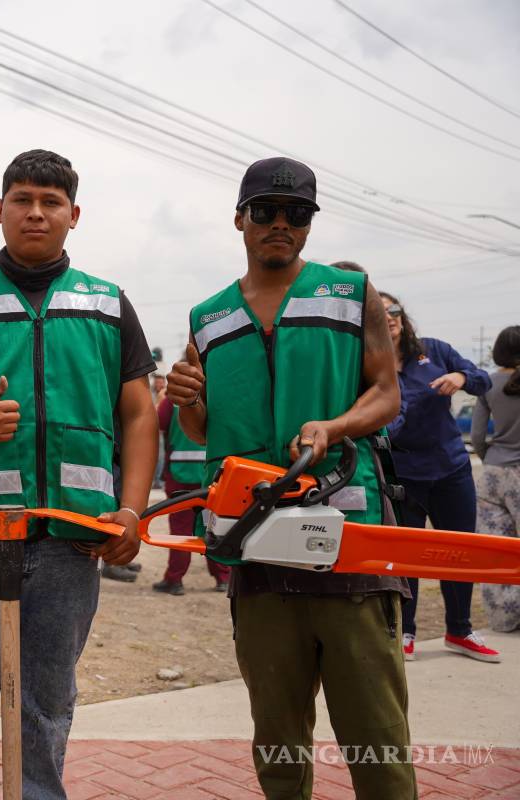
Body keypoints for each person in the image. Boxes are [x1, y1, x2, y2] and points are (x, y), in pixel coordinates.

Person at [0, 149, 158, 799]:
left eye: (51, 202)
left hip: (73, 540)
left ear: (74, 214)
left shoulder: (108, 306)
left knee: (46, 703)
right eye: (22, 199)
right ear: (0, 210)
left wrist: (131, 511)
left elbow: (139, 416)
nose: (36, 213)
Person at [167, 157, 416, 799]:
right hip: (255, 552)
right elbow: (202, 428)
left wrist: (334, 426)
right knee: (278, 747)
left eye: (297, 213)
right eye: (266, 211)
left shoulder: (350, 293)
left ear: (308, 223)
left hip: (351, 546)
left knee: (377, 744)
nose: (281, 223)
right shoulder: (208, 317)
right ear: (240, 219)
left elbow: (386, 394)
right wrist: (188, 397)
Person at [382, 291, 497, 662]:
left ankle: (459, 630)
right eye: (379, 312)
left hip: (451, 468)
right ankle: (406, 632)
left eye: (394, 309)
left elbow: (483, 381)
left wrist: (461, 376)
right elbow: (386, 426)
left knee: (460, 550)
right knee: (409, 555)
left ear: (403, 316)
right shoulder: (370, 366)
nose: (389, 316)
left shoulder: (435, 350)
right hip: (405, 475)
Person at [150, 375, 230, 596]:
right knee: (213, 526)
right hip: (212, 475)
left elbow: (158, 423)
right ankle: (223, 577)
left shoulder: (173, 398)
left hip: (180, 474)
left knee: (180, 529)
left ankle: (174, 579)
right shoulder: (217, 395)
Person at [472, 326, 520, 633]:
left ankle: (504, 620)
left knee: (496, 550)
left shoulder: (487, 383)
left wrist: (489, 456)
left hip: (492, 473)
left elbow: (477, 435)